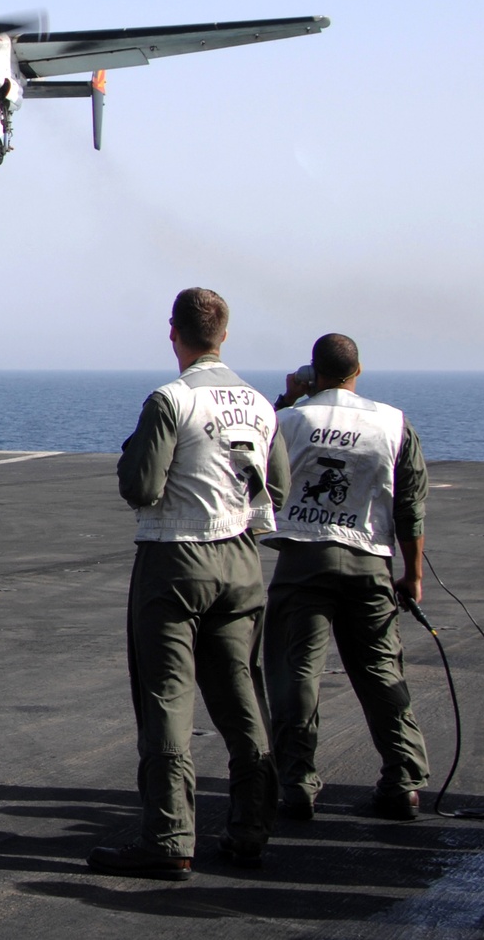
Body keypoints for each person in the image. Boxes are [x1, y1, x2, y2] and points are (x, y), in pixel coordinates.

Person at [88, 288, 290, 881]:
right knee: (239, 696)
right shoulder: (259, 404)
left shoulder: (170, 399)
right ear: (223, 334)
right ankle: (251, 828)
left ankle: (170, 837)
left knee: (166, 699)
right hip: (242, 561)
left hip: (175, 562)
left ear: (172, 333)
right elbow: (274, 488)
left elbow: (141, 487)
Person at [263, 333, 429, 821]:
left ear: (314, 372)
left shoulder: (289, 421)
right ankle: (403, 780)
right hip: (369, 561)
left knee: (296, 672)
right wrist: (412, 574)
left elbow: (251, 463)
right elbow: (410, 508)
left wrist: (288, 399)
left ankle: (296, 783)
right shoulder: (393, 422)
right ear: (358, 371)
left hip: (302, 561)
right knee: (380, 671)